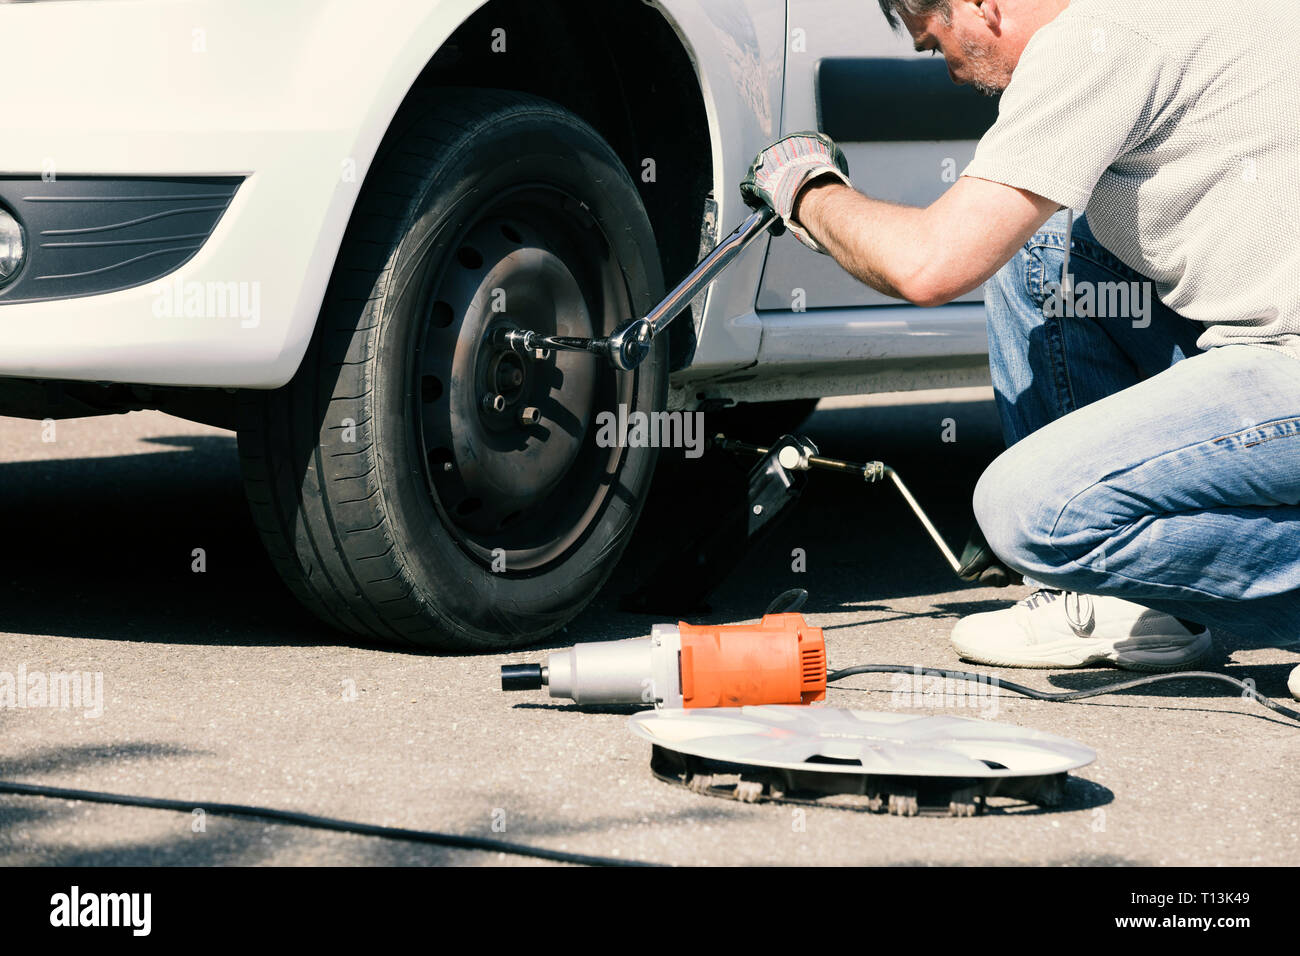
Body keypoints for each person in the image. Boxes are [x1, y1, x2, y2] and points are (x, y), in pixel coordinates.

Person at [740, 0, 1300, 698]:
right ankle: (1130, 607)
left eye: (934, 43)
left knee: (1027, 511)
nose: (945, 73)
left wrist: (806, 189)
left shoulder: (1096, 38)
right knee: (1042, 252)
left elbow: (931, 264)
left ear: (981, 6)